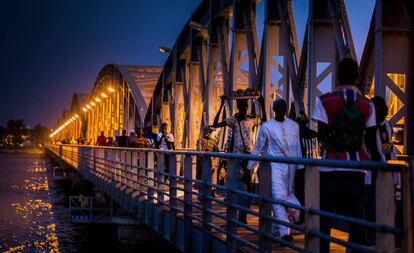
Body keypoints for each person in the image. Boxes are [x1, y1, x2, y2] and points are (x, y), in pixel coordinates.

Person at [311, 58, 381, 252]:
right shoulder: (368, 105)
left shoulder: (324, 101)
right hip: (357, 170)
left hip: (329, 169)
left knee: (325, 219)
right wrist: (380, 173)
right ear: (358, 77)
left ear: (338, 76)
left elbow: (322, 136)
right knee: (357, 220)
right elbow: (371, 143)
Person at [247, 98, 302, 242]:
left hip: (291, 165)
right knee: (277, 197)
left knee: (288, 195)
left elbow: (297, 147)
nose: (281, 110)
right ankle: (284, 232)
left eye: (283, 107)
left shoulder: (294, 126)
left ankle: (294, 216)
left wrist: (300, 166)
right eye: (278, 108)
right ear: (274, 109)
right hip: (275, 166)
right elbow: (259, 147)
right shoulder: (267, 126)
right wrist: (250, 166)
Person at [213, 94, 266, 224]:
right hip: (237, 157)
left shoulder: (251, 120)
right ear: (238, 107)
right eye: (242, 106)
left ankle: (243, 214)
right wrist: (221, 105)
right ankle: (242, 214)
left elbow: (264, 120)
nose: (245, 108)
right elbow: (215, 124)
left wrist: (262, 103)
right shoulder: (233, 120)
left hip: (249, 156)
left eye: (246, 106)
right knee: (241, 186)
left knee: (247, 185)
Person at [195, 126, 219, 198]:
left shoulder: (200, 141)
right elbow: (217, 152)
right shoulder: (213, 142)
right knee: (212, 177)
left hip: (202, 161)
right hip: (211, 161)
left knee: (201, 176)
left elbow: (199, 151)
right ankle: (212, 192)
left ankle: (201, 193)